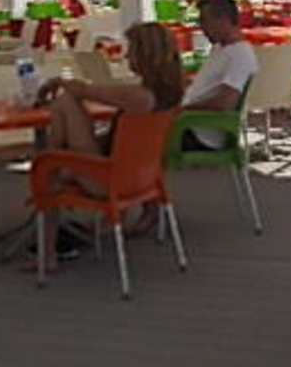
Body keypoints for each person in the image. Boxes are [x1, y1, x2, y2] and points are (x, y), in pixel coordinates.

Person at [30, 21, 184, 270]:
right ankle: (59, 164)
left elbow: (83, 90)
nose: (127, 56)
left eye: (131, 50)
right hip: (142, 179)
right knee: (65, 119)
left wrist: (57, 83)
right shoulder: (169, 96)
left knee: (63, 113)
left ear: (144, 55)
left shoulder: (140, 97)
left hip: (109, 181)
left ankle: (47, 254)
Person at [180, 0, 258, 150]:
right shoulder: (220, 49)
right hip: (191, 125)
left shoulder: (239, 55)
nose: (201, 28)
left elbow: (225, 102)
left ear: (223, 20)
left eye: (204, 21)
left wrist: (184, 110)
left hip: (200, 133)